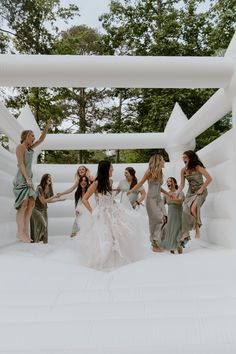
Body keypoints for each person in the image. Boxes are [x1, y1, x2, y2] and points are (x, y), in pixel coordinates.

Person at [77, 160, 147, 271]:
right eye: (111, 168)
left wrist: (117, 207)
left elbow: (110, 198)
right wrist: (92, 211)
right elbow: (85, 199)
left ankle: (113, 264)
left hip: (113, 212)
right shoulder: (96, 183)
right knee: (106, 240)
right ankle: (98, 264)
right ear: (106, 169)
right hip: (102, 215)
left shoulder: (110, 181)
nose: (113, 170)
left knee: (118, 236)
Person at [13, 120, 51, 243]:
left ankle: (25, 232)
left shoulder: (30, 149)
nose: (34, 138)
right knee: (23, 205)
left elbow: (41, 139)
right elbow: (21, 164)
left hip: (29, 179)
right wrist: (27, 178)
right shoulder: (20, 147)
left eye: (34, 136)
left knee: (31, 204)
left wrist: (47, 126)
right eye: (32, 136)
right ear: (26, 136)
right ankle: (20, 232)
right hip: (22, 178)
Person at [128, 154, 168, 252]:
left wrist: (168, 194)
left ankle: (158, 241)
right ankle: (154, 243)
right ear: (158, 161)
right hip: (151, 200)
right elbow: (141, 183)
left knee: (165, 218)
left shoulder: (161, 172)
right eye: (163, 160)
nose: (164, 162)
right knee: (157, 220)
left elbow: (159, 187)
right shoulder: (149, 171)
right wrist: (131, 190)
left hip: (159, 199)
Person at [176, 150, 212, 242]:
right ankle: (185, 234)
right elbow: (182, 184)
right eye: (183, 157)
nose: (183, 159)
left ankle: (197, 228)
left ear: (190, 158)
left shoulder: (197, 167)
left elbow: (209, 178)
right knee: (185, 210)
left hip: (201, 191)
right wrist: (177, 192)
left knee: (193, 209)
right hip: (190, 193)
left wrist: (201, 189)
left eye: (185, 157)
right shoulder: (183, 170)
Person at [57, 165, 94, 237]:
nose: (81, 170)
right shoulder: (79, 180)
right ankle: (75, 234)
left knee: (87, 221)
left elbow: (97, 183)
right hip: (81, 203)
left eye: (83, 169)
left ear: (86, 170)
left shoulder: (90, 178)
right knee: (78, 220)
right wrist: (61, 193)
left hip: (89, 203)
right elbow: (71, 189)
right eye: (79, 170)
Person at [30, 174, 60, 243]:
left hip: (44, 209)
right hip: (35, 209)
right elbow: (43, 201)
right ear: (44, 179)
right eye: (49, 177)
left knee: (46, 227)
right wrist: (55, 196)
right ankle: (36, 241)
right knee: (42, 224)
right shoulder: (39, 188)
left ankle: (45, 244)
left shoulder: (50, 187)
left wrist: (58, 200)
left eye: (51, 178)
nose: (50, 179)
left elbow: (49, 200)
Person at [159, 177, 184, 254]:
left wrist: (173, 198)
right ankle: (172, 251)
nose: (169, 183)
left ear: (175, 183)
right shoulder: (166, 194)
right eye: (167, 182)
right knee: (169, 232)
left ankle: (180, 251)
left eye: (170, 181)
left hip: (178, 215)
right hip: (170, 216)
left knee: (178, 232)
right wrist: (163, 215)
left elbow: (181, 201)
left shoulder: (179, 192)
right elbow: (161, 205)